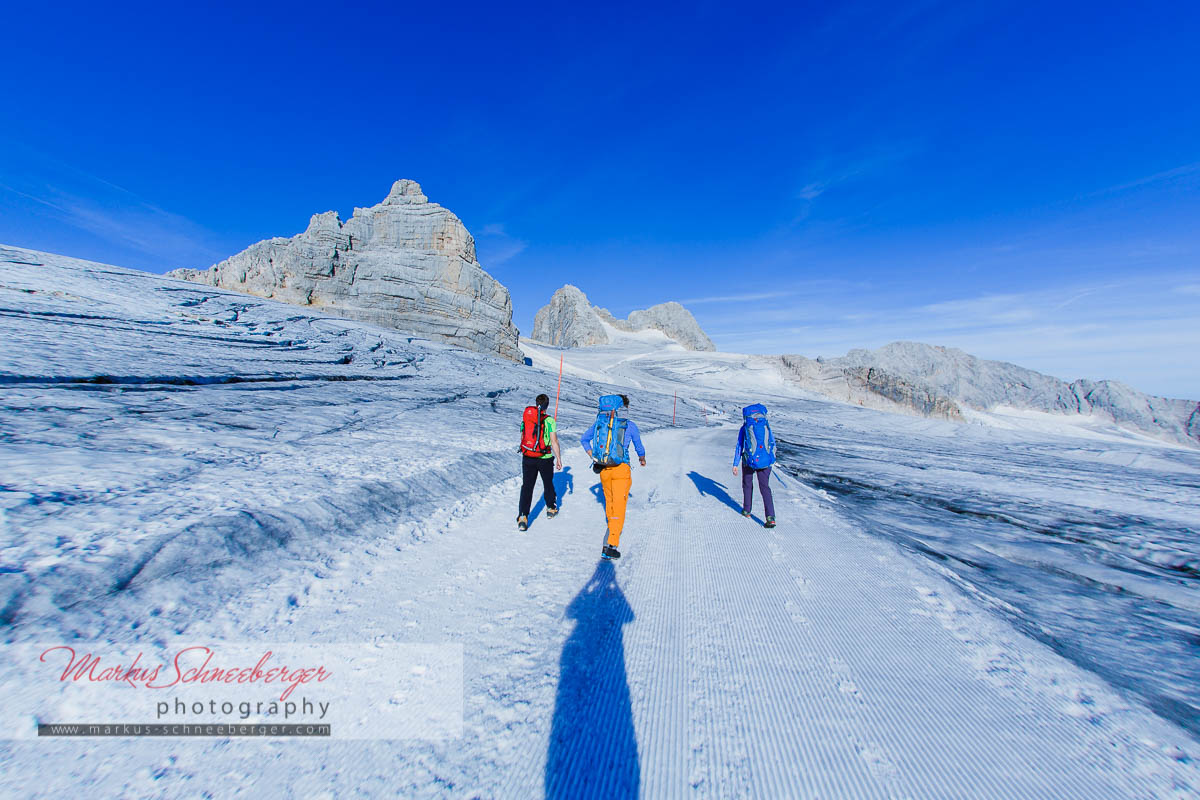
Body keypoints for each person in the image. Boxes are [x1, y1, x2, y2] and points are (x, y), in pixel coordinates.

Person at [580, 394, 646, 560]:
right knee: (619, 507)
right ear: (623, 408)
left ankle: (611, 531)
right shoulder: (629, 425)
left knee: (609, 504)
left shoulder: (600, 423)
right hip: (621, 469)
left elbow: (584, 440)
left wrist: (594, 457)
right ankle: (611, 544)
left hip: (604, 469)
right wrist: (642, 457)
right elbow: (638, 445)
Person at [518, 393, 561, 531]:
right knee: (547, 483)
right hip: (545, 458)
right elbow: (554, 441)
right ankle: (550, 508)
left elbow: (523, 436)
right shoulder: (549, 421)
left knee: (527, 487)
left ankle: (523, 516)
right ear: (547, 406)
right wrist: (559, 458)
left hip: (528, 456)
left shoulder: (527, 417)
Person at [733, 402, 776, 528]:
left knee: (747, 484)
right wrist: (771, 459)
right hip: (765, 461)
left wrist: (735, 464)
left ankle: (747, 510)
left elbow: (739, 446)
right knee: (765, 488)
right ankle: (770, 517)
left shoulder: (745, 427)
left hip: (749, 460)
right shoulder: (765, 426)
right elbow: (772, 442)